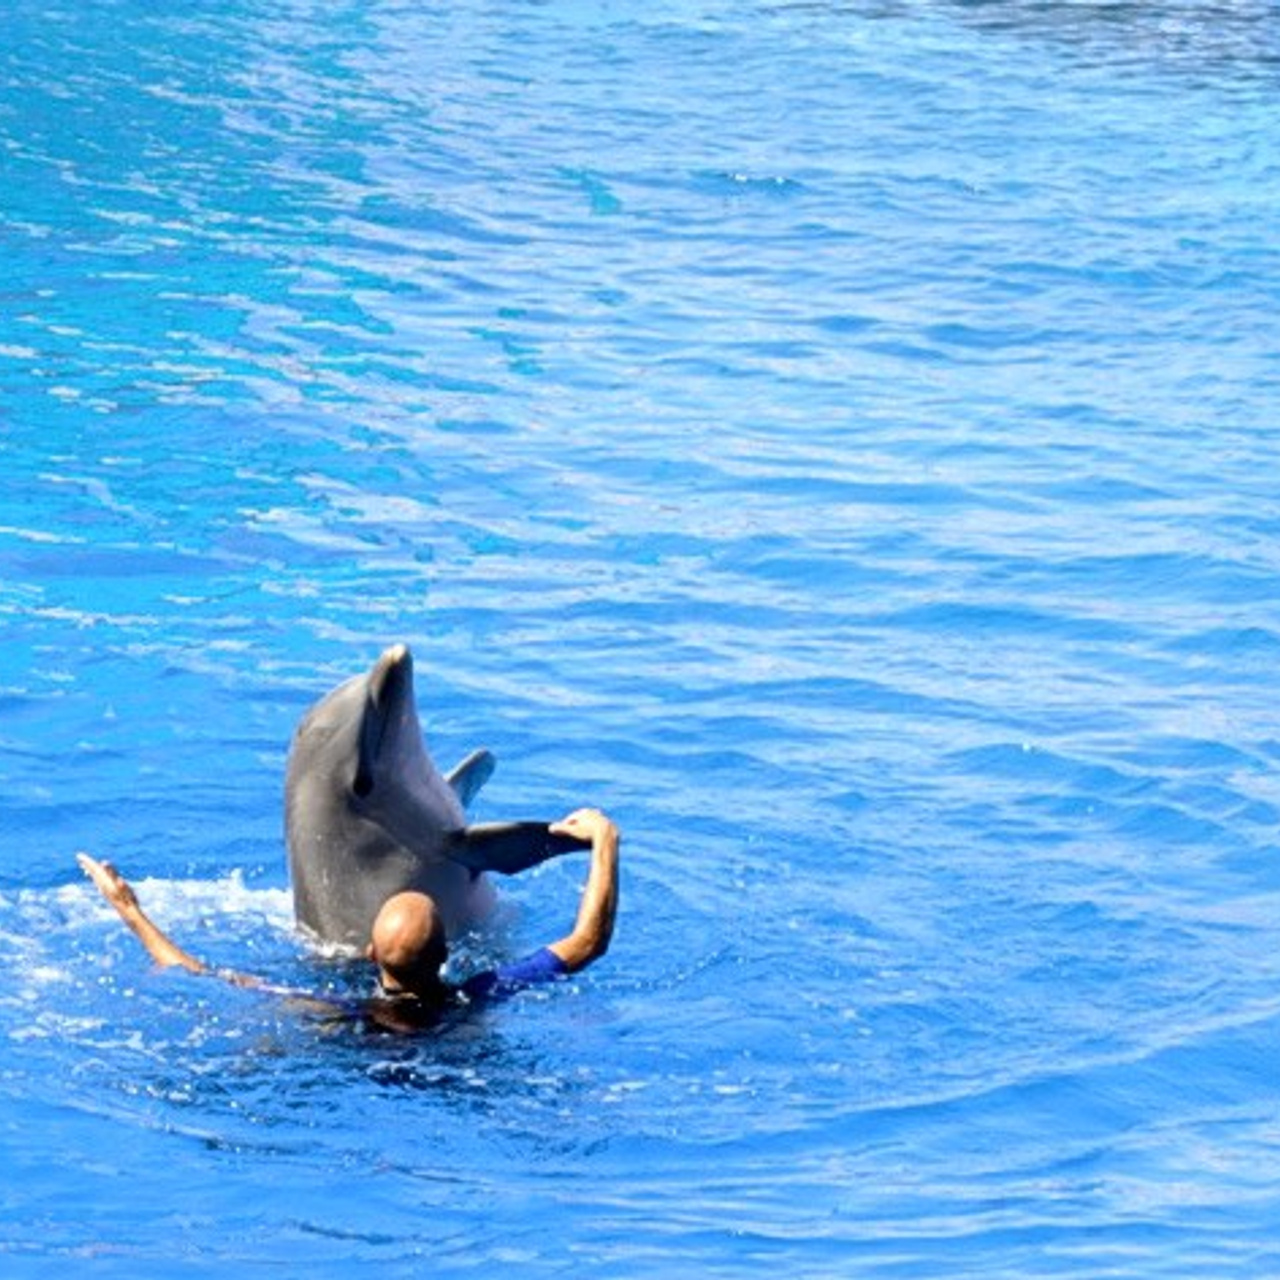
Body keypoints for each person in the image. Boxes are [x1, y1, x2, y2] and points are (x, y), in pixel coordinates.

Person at [77, 808, 620, 1031]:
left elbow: (197, 973)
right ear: (448, 953)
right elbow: (588, 942)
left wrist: (128, 908)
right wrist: (604, 840)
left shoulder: (340, 1010)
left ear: (371, 954)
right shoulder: (479, 994)